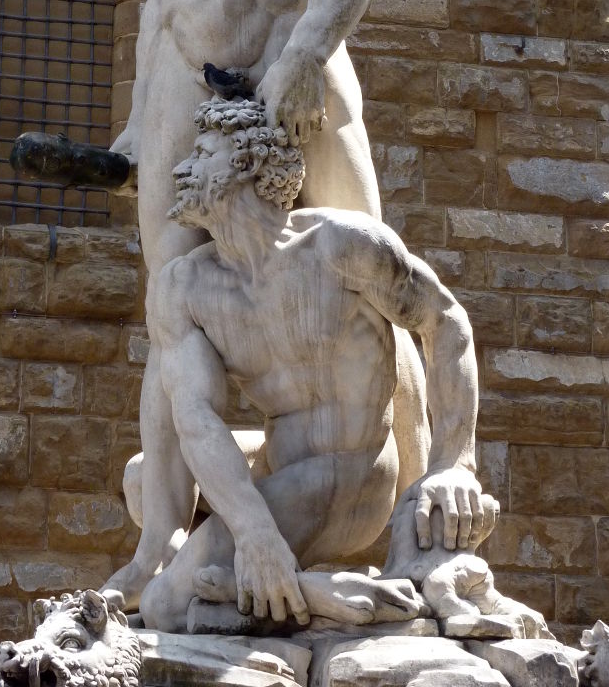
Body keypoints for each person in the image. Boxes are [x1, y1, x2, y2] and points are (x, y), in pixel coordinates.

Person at [103, 0, 421, 607]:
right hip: (181, 94)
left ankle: (417, 526)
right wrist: (130, 124)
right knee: (173, 314)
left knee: (373, 280)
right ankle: (160, 538)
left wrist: (304, 55)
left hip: (303, 72)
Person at [132, 96, 486, 633]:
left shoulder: (339, 246)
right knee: (142, 478)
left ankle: (293, 591)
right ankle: (314, 593)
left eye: (200, 154)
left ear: (244, 164)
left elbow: (446, 323)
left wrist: (454, 463)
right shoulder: (185, 287)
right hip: (280, 461)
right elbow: (196, 418)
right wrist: (254, 532)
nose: (180, 169)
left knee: (164, 606)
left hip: (353, 473)